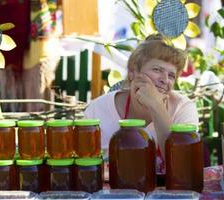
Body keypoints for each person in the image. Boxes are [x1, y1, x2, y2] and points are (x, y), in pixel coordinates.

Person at [84, 34, 199, 173]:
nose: (165, 79)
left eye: (171, 75)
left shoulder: (183, 108)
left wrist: (156, 105)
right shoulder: (98, 109)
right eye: (157, 70)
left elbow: (181, 165)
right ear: (132, 72)